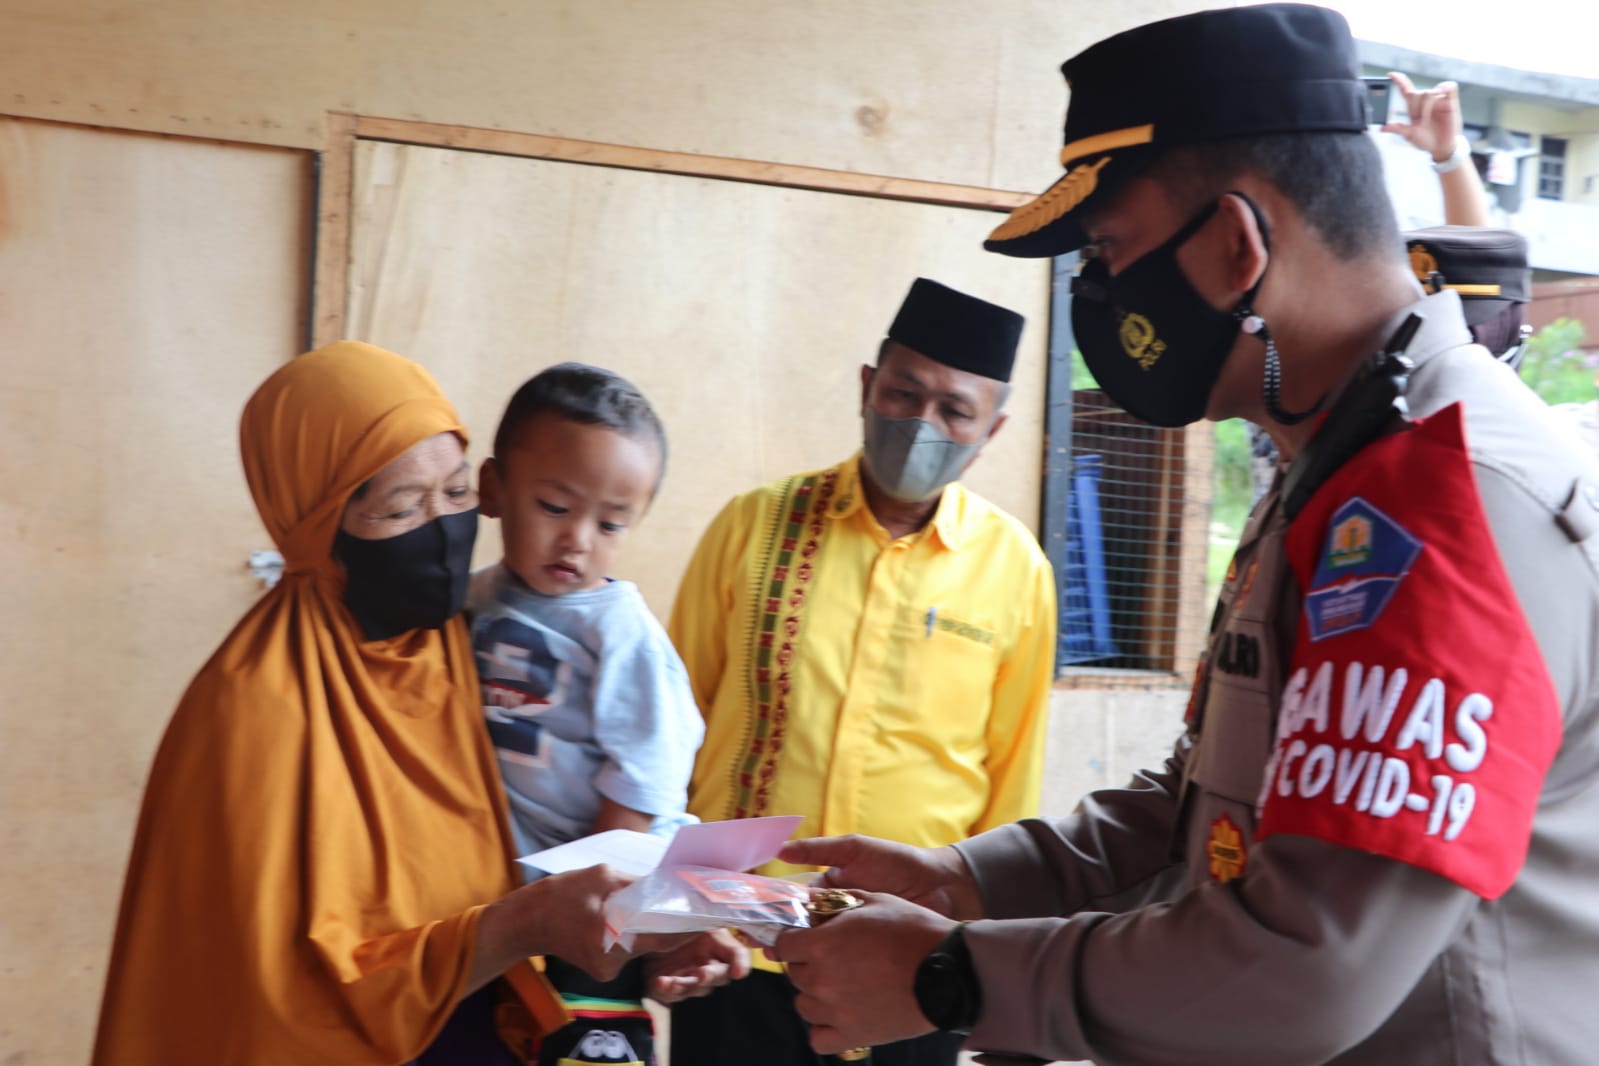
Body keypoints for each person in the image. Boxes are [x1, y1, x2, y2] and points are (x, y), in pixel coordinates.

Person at [769, 6, 1599, 1064]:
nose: (1099, 293)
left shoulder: (1438, 504)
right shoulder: (1338, 465)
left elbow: (1304, 970)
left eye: (1110, 251)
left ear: (1238, 244)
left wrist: (952, 976)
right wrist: (967, 882)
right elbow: (1210, 809)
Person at [92, 341, 740, 1066]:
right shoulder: (253, 712)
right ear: (316, 526)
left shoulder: (447, 639)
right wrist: (525, 924)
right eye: (401, 507)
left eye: (456, 494)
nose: (442, 531)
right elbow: (289, 996)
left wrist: (656, 931)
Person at [668, 278, 1057, 1066]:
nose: (921, 424)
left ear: (991, 430)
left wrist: (984, 959)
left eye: (954, 410)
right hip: (737, 944)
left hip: (911, 966)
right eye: (902, 393)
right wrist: (669, 913)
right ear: (865, 387)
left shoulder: (1016, 570)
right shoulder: (753, 525)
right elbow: (670, 729)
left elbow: (1010, 784)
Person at [469, 362, 708, 1065]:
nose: (578, 539)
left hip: (594, 903)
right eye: (554, 506)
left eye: (609, 523)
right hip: (496, 904)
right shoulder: (470, 602)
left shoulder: (621, 634)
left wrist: (594, 901)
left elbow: (642, 781)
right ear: (493, 488)